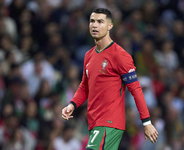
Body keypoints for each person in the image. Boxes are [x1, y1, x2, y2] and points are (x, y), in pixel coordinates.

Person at [62, 8, 158, 150]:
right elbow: (84, 87)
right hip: (94, 122)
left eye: (100, 22)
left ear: (110, 26)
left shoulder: (120, 55)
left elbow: (136, 89)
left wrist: (146, 122)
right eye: (92, 21)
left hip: (109, 122)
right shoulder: (89, 55)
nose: (95, 25)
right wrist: (72, 105)